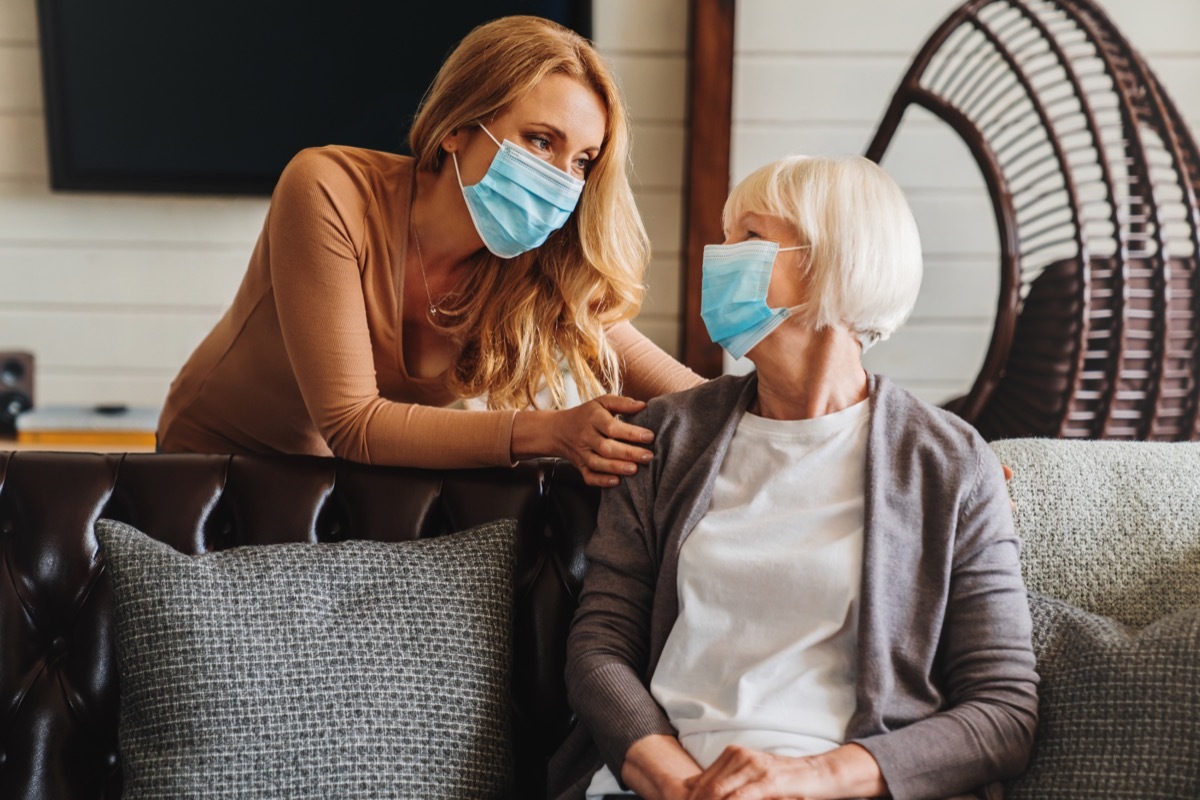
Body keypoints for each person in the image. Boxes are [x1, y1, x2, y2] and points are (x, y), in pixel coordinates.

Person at [549, 155, 1038, 800]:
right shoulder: (666, 438)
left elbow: (1003, 714)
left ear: (837, 261)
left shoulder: (949, 463)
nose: (718, 258)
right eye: (725, 237)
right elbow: (600, 649)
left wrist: (811, 780)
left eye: (749, 237)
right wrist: (675, 781)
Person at [155, 16, 702, 485]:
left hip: (353, 484)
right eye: (541, 141)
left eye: (582, 161)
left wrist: (750, 406)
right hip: (216, 464)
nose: (562, 180)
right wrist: (551, 432)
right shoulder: (327, 190)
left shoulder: (540, 264)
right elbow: (353, 424)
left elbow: (685, 394)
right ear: (456, 128)